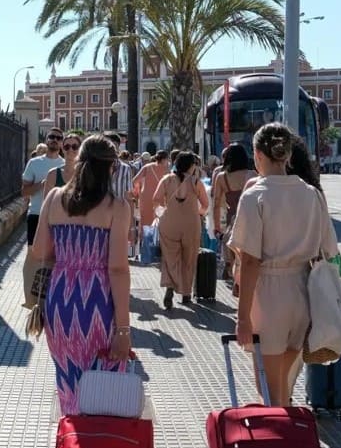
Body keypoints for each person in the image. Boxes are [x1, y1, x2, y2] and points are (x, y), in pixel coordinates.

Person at [229, 123, 338, 407]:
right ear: (288, 156)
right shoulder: (312, 194)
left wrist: (242, 318)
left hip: (268, 295)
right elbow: (328, 249)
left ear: (257, 154)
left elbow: (250, 260)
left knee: (268, 389)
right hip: (302, 292)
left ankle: (279, 445)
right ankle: (286, 439)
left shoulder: (256, 195)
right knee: (282, 385)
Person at [28, 135, 133, 416]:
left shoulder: (53, 198)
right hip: (99, 304)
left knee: (68, 385)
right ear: (111, 168)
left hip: (60, 302)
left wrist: (68, 255)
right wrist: (123, 329)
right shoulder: (117, 208)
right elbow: (118, 269)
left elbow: (39, 250)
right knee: (104, 391)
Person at [153, 151, 209, 309]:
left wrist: (161, 215)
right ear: (191, 166)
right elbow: (205, 205)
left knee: (170, 257)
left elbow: (156, 201)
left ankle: (170, 286)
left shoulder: (167, 179)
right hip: (191, 224)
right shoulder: (196, 182)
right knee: (189, 259)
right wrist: (198, 214)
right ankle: (186, 294)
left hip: (169, 223)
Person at [212, 144, 257, 281]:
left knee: (232, 251)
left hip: (233, 221)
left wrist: (217, 227)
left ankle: (233, 274)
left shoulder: (221, 177)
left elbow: (216, 204)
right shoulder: (252, 175)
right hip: (251, 221)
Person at [22, 130, 66, 246]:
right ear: (46, 140)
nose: (55, 140)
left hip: (59, 217)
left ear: (62, 143)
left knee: (56, 256)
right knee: (33, 254)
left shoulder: (66, 165)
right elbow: (24, 191)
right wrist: (42, 184)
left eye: (58, 138)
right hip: (36, 214)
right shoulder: (34, 163)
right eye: (51, 137)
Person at [132, 149, 170, 228]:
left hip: (146, 198)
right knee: (159, 222)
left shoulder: (147, 167)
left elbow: (135, 180)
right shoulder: (167, 170)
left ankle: (144, 239)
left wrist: (137, 191)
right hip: (161, 199)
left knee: (145, 222)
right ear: (164, 159)